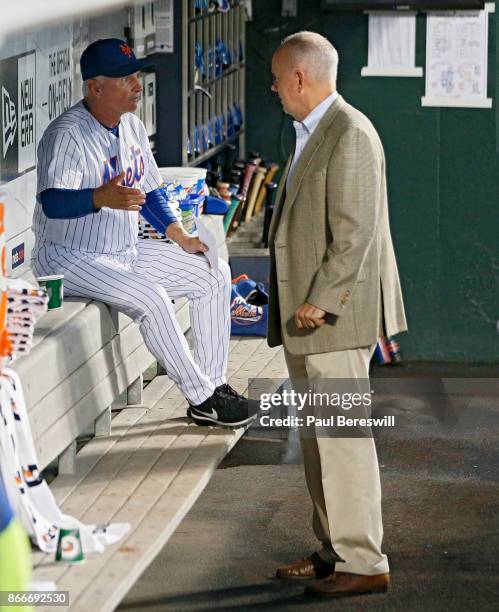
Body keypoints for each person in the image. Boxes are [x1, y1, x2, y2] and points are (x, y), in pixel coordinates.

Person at [32, 38, 256, 428]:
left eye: (136, 75)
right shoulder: (66, 133)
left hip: (122, 250)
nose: (137, 85)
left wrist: (178, 234)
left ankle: (216, 385)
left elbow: (151, 192)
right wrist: (99, 197)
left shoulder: (131, 125)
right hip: (68, 256)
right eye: (125, 78)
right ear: (95, 88)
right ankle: (201, 397)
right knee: (151, 298)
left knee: (213, 272)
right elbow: (52, 201)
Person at [268, 32, 407, 597]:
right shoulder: (314, 132)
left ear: (300, 77)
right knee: (319, 443)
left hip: (331, 317)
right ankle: (335, 548)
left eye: (277, 78)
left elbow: (354, 235)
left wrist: (319, 301)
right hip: (308, 319)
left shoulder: (349, 134)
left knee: (343, 443)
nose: (273, 89)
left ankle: (364, 564)